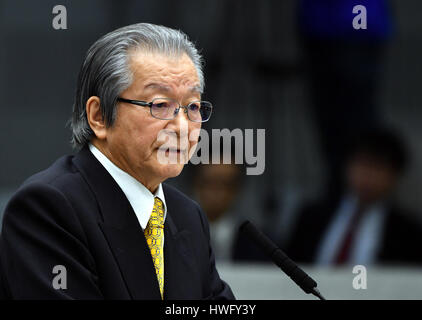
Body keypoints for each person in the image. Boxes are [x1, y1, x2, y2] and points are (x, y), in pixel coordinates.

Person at [0, 23, 234, 300]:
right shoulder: (49, 208)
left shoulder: (187, 216)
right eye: (160, 105)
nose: (183, 127)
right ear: (99, 116)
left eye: (193, 107)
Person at [286, 128, 422, 266]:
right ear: (346, 166)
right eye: (362, 164)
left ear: (394, 175)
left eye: (378, 168)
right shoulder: (311, 217)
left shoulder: (407, 232)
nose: (368, 176)